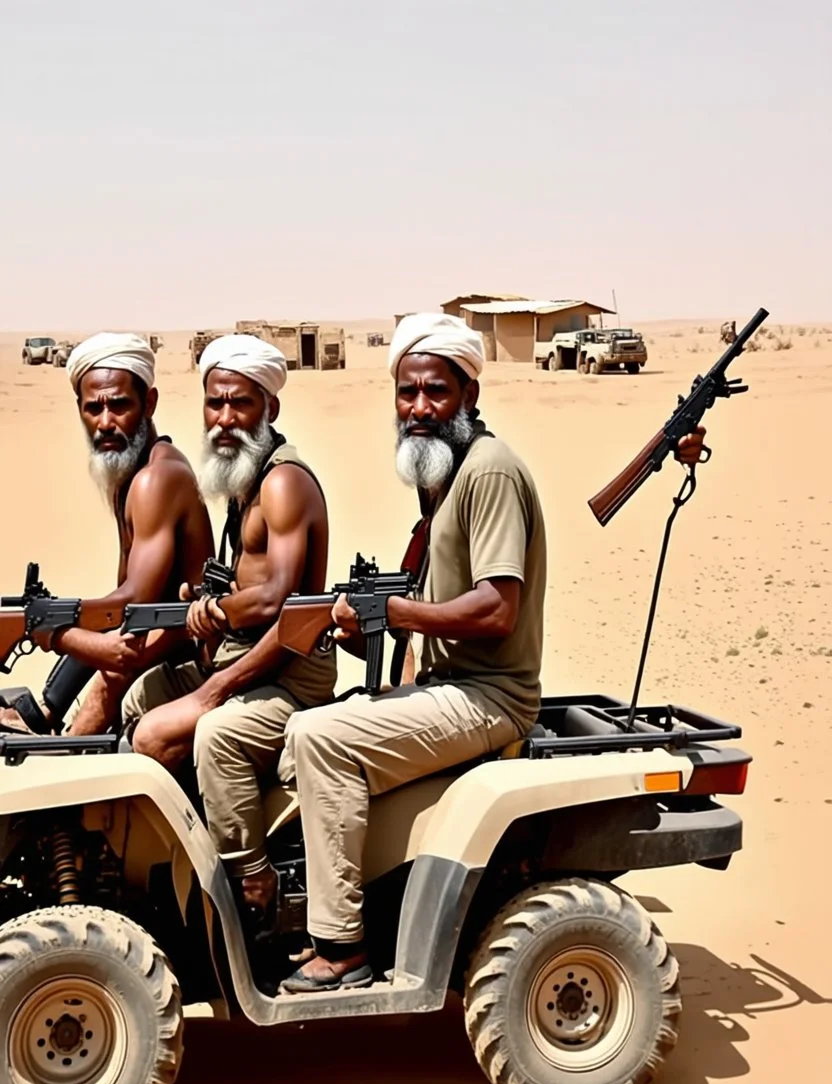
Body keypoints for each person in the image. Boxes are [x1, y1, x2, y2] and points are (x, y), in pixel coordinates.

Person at [277, 311, 709, 993]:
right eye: (407, 393)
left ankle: (342, 946)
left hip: (490, 699)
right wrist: (372, 628)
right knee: (300, 729)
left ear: (469, 396)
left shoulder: (490, 472)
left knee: (319, 738)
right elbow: (434, 606)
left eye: (436, 393)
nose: (418, 409)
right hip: (448, 688)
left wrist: (393, 611)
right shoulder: (441, 476)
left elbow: (495, 607)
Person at [122, 333, 337, 916]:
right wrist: (205, 605)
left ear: (270, 407)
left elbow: (278, 600)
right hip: (243, 653)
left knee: (203, 735)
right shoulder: (243, 481)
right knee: (140, 699)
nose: (224, 419)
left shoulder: (283, 482)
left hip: (289, 668)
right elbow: (244, 589)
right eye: (214, 404)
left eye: (239, 404)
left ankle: (252, 876)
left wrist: (218, 645)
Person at [0, 332, 215, 736]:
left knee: (105, 679)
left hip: (182, 657)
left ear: (149, 403)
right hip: (145, 644)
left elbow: (130, 604)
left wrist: (47, 629)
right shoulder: (127, 471)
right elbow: (116, 607)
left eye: (119, 405)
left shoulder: (157, 478)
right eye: (92, 408)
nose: (105, 422)